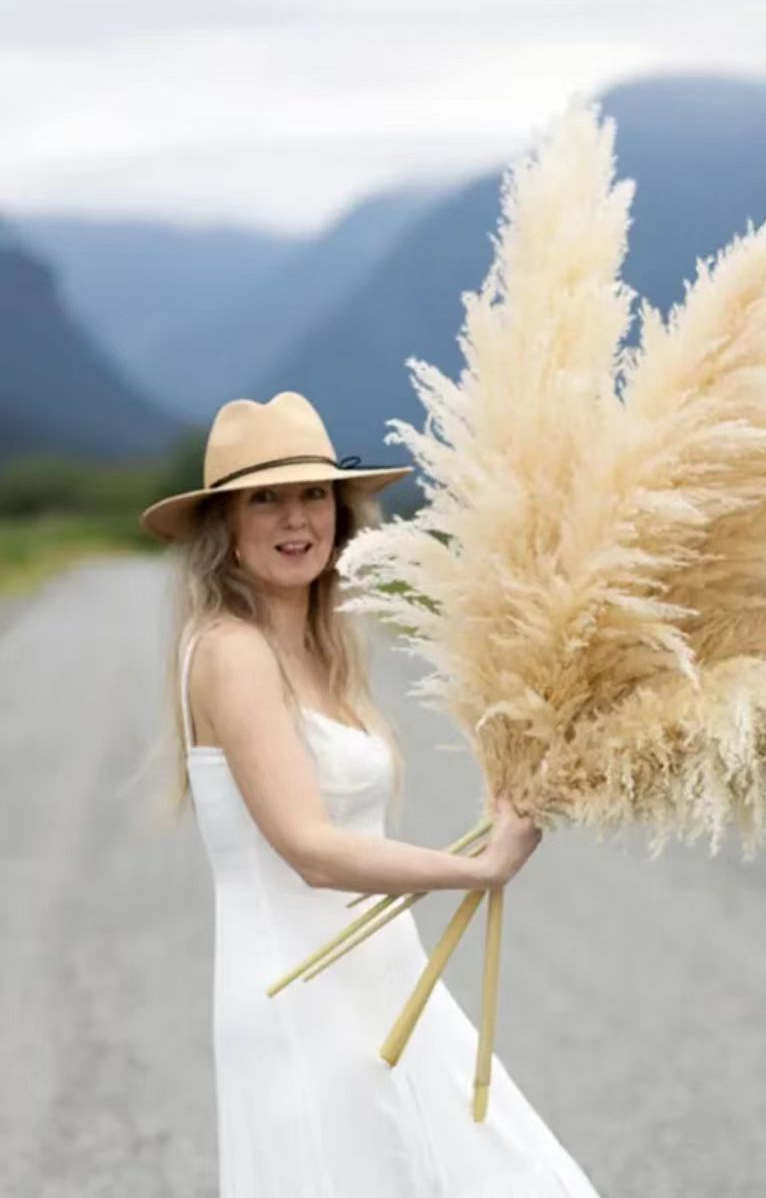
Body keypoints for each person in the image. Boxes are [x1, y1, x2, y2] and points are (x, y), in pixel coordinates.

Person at [140, 389, 603, 1196]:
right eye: (267, 499)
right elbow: (312, 850)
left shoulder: (323, 652)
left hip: (385, 987)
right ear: (226, 527)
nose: (297, 520)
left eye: (313, 493)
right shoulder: (231, 651)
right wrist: (483, 869)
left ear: (341, 510)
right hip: (301, 1001)